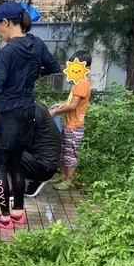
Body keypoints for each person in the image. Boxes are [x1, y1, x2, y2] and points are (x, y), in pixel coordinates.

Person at [0, 1, 61, 230]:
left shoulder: (7, 52)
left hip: (8, 114)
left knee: (1, 166)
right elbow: (53, 66)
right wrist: (31, 75)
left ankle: (4, 216)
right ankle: (17, 212)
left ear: (6, 22)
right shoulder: (36, 44)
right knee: (17, 165)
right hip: (27, 111)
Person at [0, 101, 61, 200]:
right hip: (43, 160)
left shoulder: (33, 112)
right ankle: (34, 181)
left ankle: (9, 191)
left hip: (44, 165)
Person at [50, 50, 92, 190]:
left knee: (71, 154)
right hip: (69, 124)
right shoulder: (78, 82)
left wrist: (56, 111)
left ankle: (68, 181)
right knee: (64, 152)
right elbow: (71, 102)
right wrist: (60, 104)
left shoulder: (82, 84)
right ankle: (62, 176)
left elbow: (73, 106)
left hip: (75, 126)